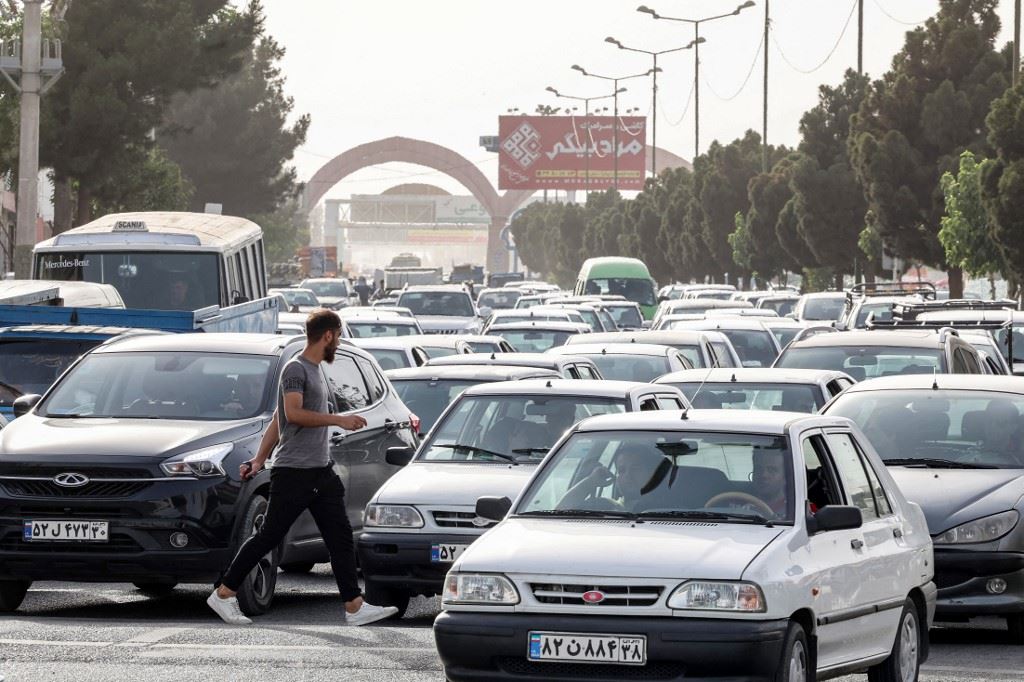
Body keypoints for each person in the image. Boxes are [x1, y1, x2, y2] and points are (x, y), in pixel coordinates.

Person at [207, 309, 398, 626]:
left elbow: (277, 421)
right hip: (295, 472)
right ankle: (224, 594)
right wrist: (338, 419)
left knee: (340, 538)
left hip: (320, 471)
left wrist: (257, 459)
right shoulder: (296, 370)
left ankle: (354, 605)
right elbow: (292, 414)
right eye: (338, 336)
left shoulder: (315, 369)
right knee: (268, 536)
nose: (338, 342)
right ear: (328, 335)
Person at [750, 449, 788, 517]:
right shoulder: (735, 505)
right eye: (758, 468)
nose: (763, 475)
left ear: (785, 477)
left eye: (772, 470)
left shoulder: (799, 511)